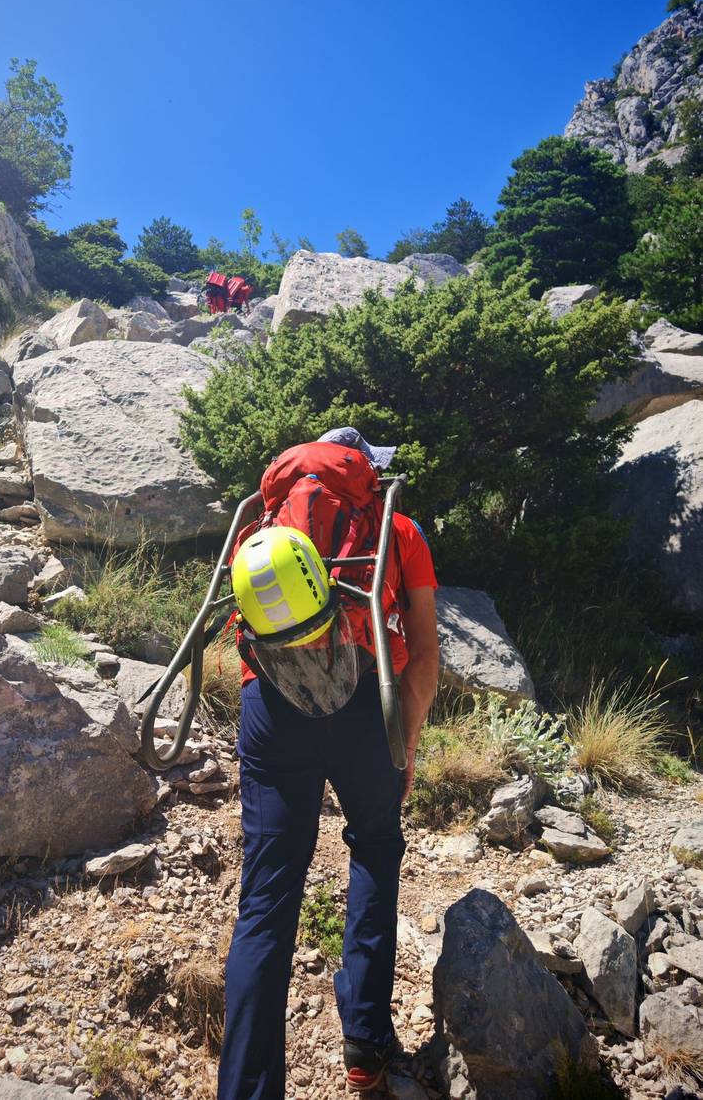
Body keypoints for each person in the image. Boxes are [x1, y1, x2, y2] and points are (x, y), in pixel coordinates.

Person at [218, 428, 440, 1099]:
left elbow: (244, 637)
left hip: (271, 705)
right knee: (374, 844)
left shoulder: (260, 525)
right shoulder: (397, 528)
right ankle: (365, 1046)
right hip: (363, 705)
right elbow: (425, 656)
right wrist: (404, 741)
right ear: (365, 474)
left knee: (265, 901)